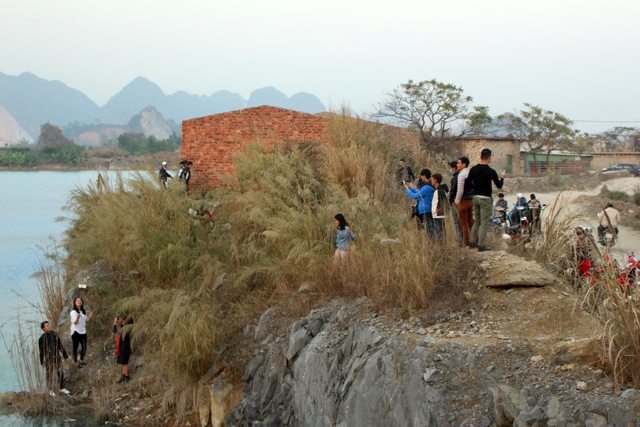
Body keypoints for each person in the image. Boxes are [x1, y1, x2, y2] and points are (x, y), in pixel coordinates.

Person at [468, 148, 505, 252]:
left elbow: (468, 183)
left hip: (475, 197)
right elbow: (499, 185)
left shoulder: (473, 169)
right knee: (484, 222)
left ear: (480, 157)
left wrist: (476, 187)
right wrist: (502, 178)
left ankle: (471, 242)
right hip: (486, 198)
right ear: (489, 158)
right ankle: (481, 245)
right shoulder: (491, 171)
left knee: (477, 221)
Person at [38, 321, 70, 395]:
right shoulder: (42, 339)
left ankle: (61, 387)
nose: (49, 326)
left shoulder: (55, 334)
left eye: (49, 325)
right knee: (49, 374)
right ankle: (50, 390)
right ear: (43, 328)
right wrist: (42, 361)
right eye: (47, 326)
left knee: (60, 372)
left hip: (57, 357)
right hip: (49, 358)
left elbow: (60, 345)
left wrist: (65, 355)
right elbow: (41, 351)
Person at [405, 168, 436, 235]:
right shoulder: (429, 186)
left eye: (421, 176)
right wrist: (411, 188)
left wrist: (407, 189)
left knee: (429, 229)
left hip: (425, 210)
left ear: (424, 176)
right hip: (429, 209)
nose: (421, 177)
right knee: (431, 228)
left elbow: (415, 196)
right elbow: (419, 192)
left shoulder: (426, 187)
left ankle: (431, 242)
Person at [454, 157, 474, 246]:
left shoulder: (461, 175)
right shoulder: (471, 173)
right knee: (471, 221)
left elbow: (460, 190)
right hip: (471, 199)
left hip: (464, 200)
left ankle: (467, 241)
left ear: (464, 164)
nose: (457, 165)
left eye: (459, 163)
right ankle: (475, 239)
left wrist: (457, 201)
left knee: (463, 222)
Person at [70, 297, 94, 370]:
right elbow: (75, 322)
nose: (79, 301)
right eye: (77, 300)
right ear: (75, 302)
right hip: (76, 331)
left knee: (84, 346)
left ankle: (81, 360)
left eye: (80, 300)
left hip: (83, 331)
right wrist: (77, 318)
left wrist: (90, 315)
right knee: (76, 347)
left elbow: (85, 321)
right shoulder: (73, 312)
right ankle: (76, 363)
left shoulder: (83, 311)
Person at [113, 315, 134, 383]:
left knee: (125, 363)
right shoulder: (126, 327)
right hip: (123, 346)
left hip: (125, 346)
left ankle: (127, 377)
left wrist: (114, 324)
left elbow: (116, 331)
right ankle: (123, 375)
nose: (122, 321)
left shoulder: (126, 329)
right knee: (123, 362)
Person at [448, 160, 463, 243]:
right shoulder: (461, 176)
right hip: (462, 201)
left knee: (457, 221)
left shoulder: (456, 178)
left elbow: (453, 190)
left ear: (454, 168)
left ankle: (460, 240)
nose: (450, 170)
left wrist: (450, 200)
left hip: (456, 201)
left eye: (451, 168)